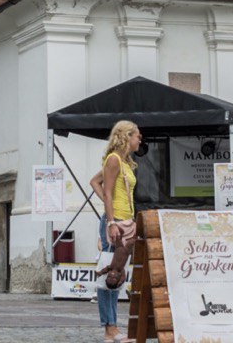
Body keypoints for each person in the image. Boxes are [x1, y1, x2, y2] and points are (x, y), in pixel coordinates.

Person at [89, 120, 141, 343]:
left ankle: (113, 328)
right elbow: (107, 191)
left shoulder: (125, 162)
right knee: (108, 274)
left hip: (126, 221)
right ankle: (108, 329)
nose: (140, 139)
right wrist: (111, 221)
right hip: (115, 223)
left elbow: (94, 181)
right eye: (137, 135)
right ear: (127, 136)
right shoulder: (113, 160)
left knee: (118, 274)